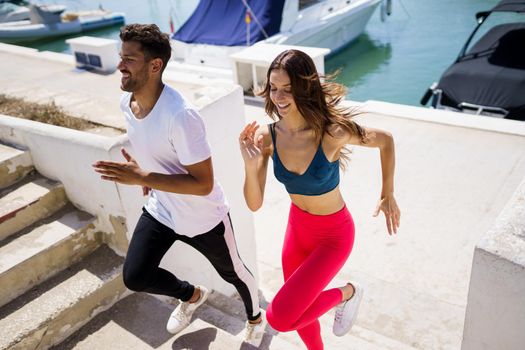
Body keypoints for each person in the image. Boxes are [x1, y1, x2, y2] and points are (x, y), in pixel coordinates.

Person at [92, 23, 266, 346]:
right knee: (135, 275)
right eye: (121, 56)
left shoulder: (181, 116)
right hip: (163, 209)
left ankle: (256, 318)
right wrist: (144, 171)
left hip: (204, 217)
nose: (120, 65)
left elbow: (203, 183)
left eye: (129, 59)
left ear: (155, 65)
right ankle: (193, 295)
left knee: (234, 272)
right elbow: (157, 151)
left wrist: (144, 177)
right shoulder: (126, 105)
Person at [239, 49, 400, 350]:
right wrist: (250, 165)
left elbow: (385, 140)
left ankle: (348, 293)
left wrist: (387, 193)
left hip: (333, 236)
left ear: (305, 88)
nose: (279, 97)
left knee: (280, 318)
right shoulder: (266, 137)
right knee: (301, 315)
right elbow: (254, 203)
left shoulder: (331, 133)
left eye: (288, 89)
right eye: (274, 88)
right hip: (297, 231)